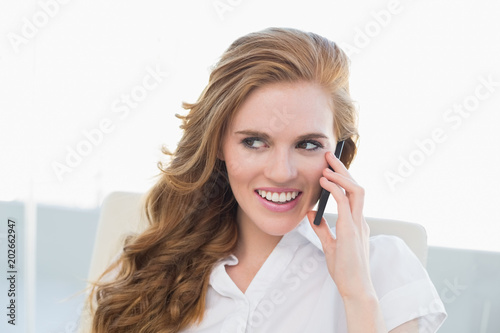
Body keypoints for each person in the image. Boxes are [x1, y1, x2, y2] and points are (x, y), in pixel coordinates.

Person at [85, 27, 447, 332]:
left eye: (307, 144)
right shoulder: (155, 265)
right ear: (219, 145)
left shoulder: (382, 268)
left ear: (337, 153)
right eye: (254, 142)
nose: (281, 172)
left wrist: (357, 296)